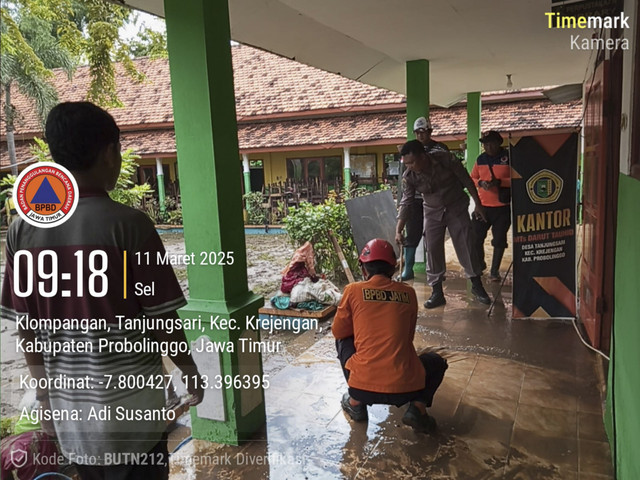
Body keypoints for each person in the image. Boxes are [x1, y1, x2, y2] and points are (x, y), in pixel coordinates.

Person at [0, 102, 204, 480]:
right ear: (109, 152)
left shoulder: (21, 232)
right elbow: (162, 319)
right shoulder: (129, 226)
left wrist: (45, 400)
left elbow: (25, 327)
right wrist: (191, 372)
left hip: (73, 421)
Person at [333, 239, 448, 432]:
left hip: (362, 385)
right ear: (393, 269)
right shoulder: (409, 293)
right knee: (436, 362)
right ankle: (417, 409)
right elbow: (407, 337)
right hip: (406, 388)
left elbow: (338, 331)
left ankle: (355, 403)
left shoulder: (353, 290)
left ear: (363, 269)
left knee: (342, 337)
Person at [395, 139, 491, 308]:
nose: (409, 166)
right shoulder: (409, 176)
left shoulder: (445, 159)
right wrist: (399, 229)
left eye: (412, 162)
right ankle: (437, 293)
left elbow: (467, 181)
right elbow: (406, 202)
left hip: (456, 206)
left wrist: (478, 205)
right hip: (432, 211)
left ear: (423, 156)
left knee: (466, 244)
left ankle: (477, 286)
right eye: (407, 163)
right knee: (432, 249)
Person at [401, 117, 450, 281]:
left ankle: (436, 270)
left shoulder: (440, 149)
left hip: (435, 199)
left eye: (424, 132)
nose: (421, 135)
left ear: (430, 131)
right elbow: (406, 178)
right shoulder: (409, 150)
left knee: (433, 238)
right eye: (418, 132)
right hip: (415, 200)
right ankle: (408, 269)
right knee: (412, 234)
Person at [470, 130, 512, 281]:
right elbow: (472, 177)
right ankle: (480, 263)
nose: (488, 147)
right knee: (475, 238)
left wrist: (501, 182)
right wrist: (481, 183)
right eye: (485, 144)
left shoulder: (509, 157)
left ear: (499, 143)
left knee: (499, 240)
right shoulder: (480, 159)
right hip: (482, 206)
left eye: (491, 143)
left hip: (502, 207)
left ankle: (494, 270)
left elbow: (519, 178)